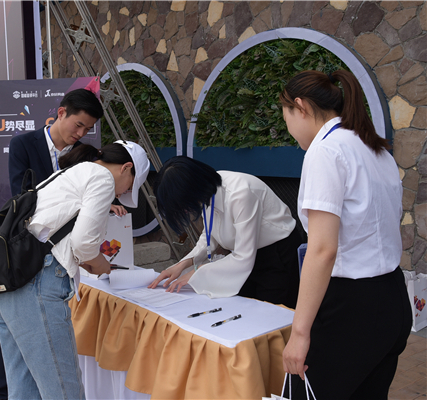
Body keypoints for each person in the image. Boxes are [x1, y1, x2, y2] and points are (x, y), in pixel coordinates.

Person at [279, 70, 411, 399]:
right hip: (392, 297)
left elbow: (323, 249)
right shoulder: (375, 148)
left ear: (300, 107)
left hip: (350, 307)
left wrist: (299, 332)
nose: (289, 129)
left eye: (286, 117)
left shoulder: (326, 151)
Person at [0, 140, 150, 399]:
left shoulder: (70, 172)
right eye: (130, 187)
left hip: (11, 281)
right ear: (126, 168)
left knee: (23, 387)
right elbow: (84, 244)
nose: (122, 194)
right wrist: (102, 265)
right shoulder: (102, 178)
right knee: (64, 390)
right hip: (38, 284)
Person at [148, 156, 301, 308]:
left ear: (191, 189)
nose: (184, 210)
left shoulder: (240, 194)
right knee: (244, 308)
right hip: (244, 256)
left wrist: (196, 272)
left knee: (271, 311)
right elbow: (209, 235)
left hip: (277, 254)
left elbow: (243, 256)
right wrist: (183, 264)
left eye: (182, 205)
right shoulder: (204, 191)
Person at [8, 88, 103, 194]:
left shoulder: (85, 154)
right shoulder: (23, 144)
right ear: (61, 113)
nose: (81, 133)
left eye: (87, 129)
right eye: (78, 125)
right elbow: (20, 195)